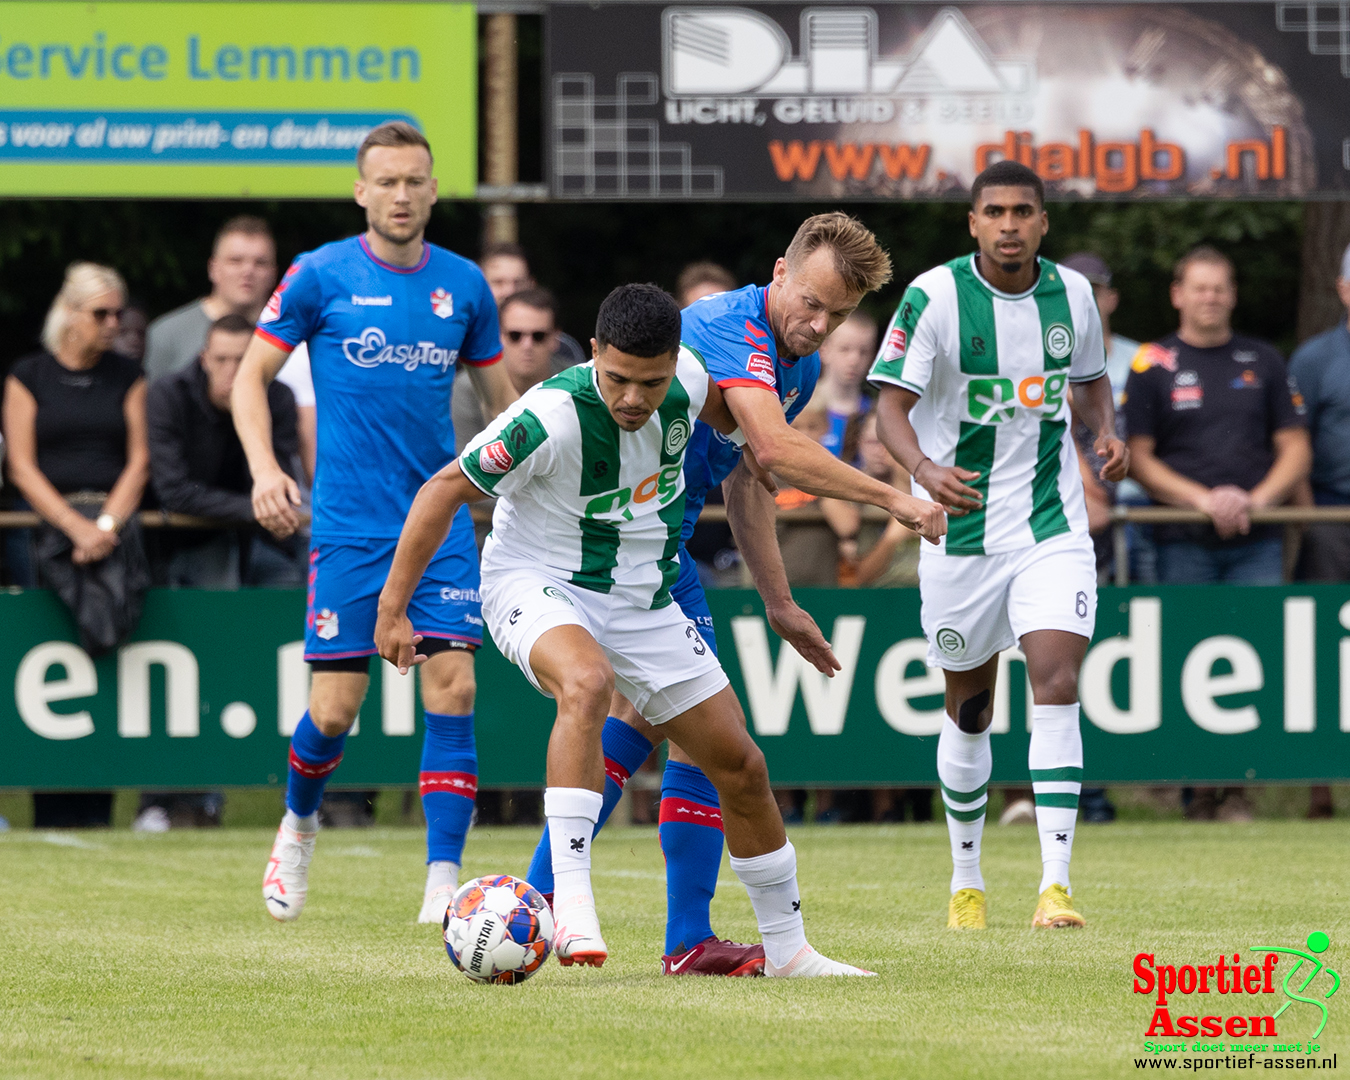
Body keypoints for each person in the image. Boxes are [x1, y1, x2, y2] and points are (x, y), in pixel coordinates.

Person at [376, 282, 943, 974]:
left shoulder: (695, 383)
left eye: (650, 382)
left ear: (676, 363)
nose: (633, 399)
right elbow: (442, 490)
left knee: (739, 764)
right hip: (534, 579)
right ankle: (573, 906)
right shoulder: (548, 415)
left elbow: (757, 449)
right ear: (592, 355)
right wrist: (393, 608)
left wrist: (763, 518)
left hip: (641, 594)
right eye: (617, 378)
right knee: (587, 683)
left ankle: (791, 950)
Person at [521, 213, 944, 974]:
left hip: (660, 555)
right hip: (609, 553)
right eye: (810, 303)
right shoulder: (721, 328)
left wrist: (778, 601)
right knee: (696, 738)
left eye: (839, 315)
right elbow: (781, 446)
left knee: (675, 731)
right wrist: (898, 501)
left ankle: (644, 927)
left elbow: (754, 477)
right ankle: (579, 909)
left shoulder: (794, 360)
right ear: (779, 273)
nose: (818, 326)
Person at [231, 121, 517, 923]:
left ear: (432, 189)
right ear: (361, 191)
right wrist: (265, 467)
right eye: (385, 181)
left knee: (453, 685)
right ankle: (297, 826)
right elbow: (249, 382)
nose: (400, 194)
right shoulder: (318, 275)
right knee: (334, 710)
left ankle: (442, 882)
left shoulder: (464, 286)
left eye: (414, 181)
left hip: (442, 523)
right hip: (350, 527)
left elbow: (505, 410)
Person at [870, 160, 1129, 931]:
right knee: (970, 707)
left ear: (1044, 222)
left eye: (1024, 210)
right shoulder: (935, 296)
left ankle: (1055, 887)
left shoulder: (1073, 295)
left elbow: (1090, 380)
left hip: (1050, 526)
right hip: (962, 534)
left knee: (1055, 678)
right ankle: (967, 880)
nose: (1010, 224)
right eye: (995, 211)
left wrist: (1106, 430)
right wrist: (923, 472)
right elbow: (890, 408)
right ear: (973, 222)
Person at [3, 262, 149, 829]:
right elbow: (20, 463)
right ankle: (47, 798)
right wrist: (72, 526)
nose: (114, 323)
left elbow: (139, 460)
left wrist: (106, 526)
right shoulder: (28, 375)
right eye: (101, 313)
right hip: (43, 531)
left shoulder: (129, 374)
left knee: (109, 645)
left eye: (119, 312)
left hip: (115, 530)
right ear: (70, 313)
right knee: (48, 649)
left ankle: (101, 801)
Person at [1124, 246, 1309, 587]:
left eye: (1219, 289)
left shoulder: (1265, 359)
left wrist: (1255, 501)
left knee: (1261, 637)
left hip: (1258, 538)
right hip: (1180, 539)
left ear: (1233, 295)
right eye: (1200, 289)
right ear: (1177, 295)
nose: (1210, 298)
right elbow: (1136, 457)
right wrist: (1204, 501)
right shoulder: (1151, 362)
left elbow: (1296, 448)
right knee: (1182, 638)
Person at [147, 313, 301, 588]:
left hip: (261, 537)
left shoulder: (278, 397)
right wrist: (255, 509)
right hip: (186, 538)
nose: (232, 370)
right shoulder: (169, 395)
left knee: (296, 576)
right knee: (220, 574)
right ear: (204, 359)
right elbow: (174, 491)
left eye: (242, 360)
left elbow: (280, 481)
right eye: (221, 360)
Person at [144, 217, 278, 382]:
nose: (248, 271)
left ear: (274, 273)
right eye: (235, 261)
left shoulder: (294, 336)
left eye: (260, 263)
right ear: (213, 269)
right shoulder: (167, 335)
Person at [453, 287, 576, 454]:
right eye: (515, 335)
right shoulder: (468, 387)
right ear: (499, 336)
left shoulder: (576, 386)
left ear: (555, 338)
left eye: (538, 336)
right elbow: (463, 462)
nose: (527, 346)